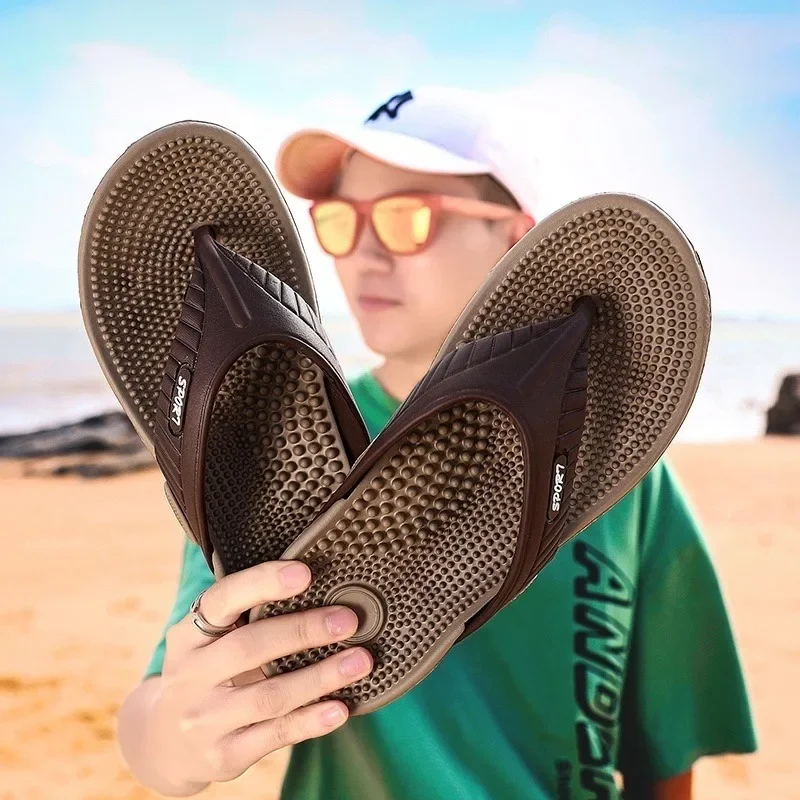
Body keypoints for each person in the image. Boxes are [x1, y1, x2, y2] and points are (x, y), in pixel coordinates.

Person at [117, 86, 757, 799]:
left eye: (406, 217)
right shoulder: (280, 439)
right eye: (340, 220)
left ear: (516, 238)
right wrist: (174, 739)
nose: (363, 254)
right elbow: (156, 718)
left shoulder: (624, 479)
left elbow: (664, 755)